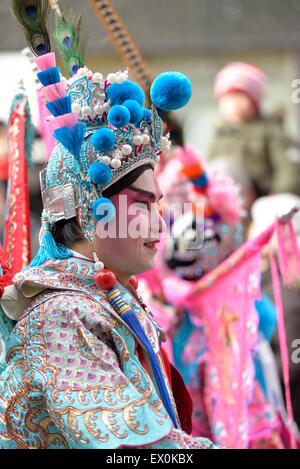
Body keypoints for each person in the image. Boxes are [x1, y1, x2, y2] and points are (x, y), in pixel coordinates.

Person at [0, 26, 221, 448]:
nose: (160, 224)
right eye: (141, 205)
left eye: (158, 205)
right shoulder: (62, 315)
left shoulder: (103, 299)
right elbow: (134, 449)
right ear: (88, 214)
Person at [208, 62, 300, 200]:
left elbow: (290, 167)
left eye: (240, 96)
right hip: (230, 203)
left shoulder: (271, 131)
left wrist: (278, 195)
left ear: (255, 101)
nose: (233, 103)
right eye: (227, 97)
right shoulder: (220, 136)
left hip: (265, 198)